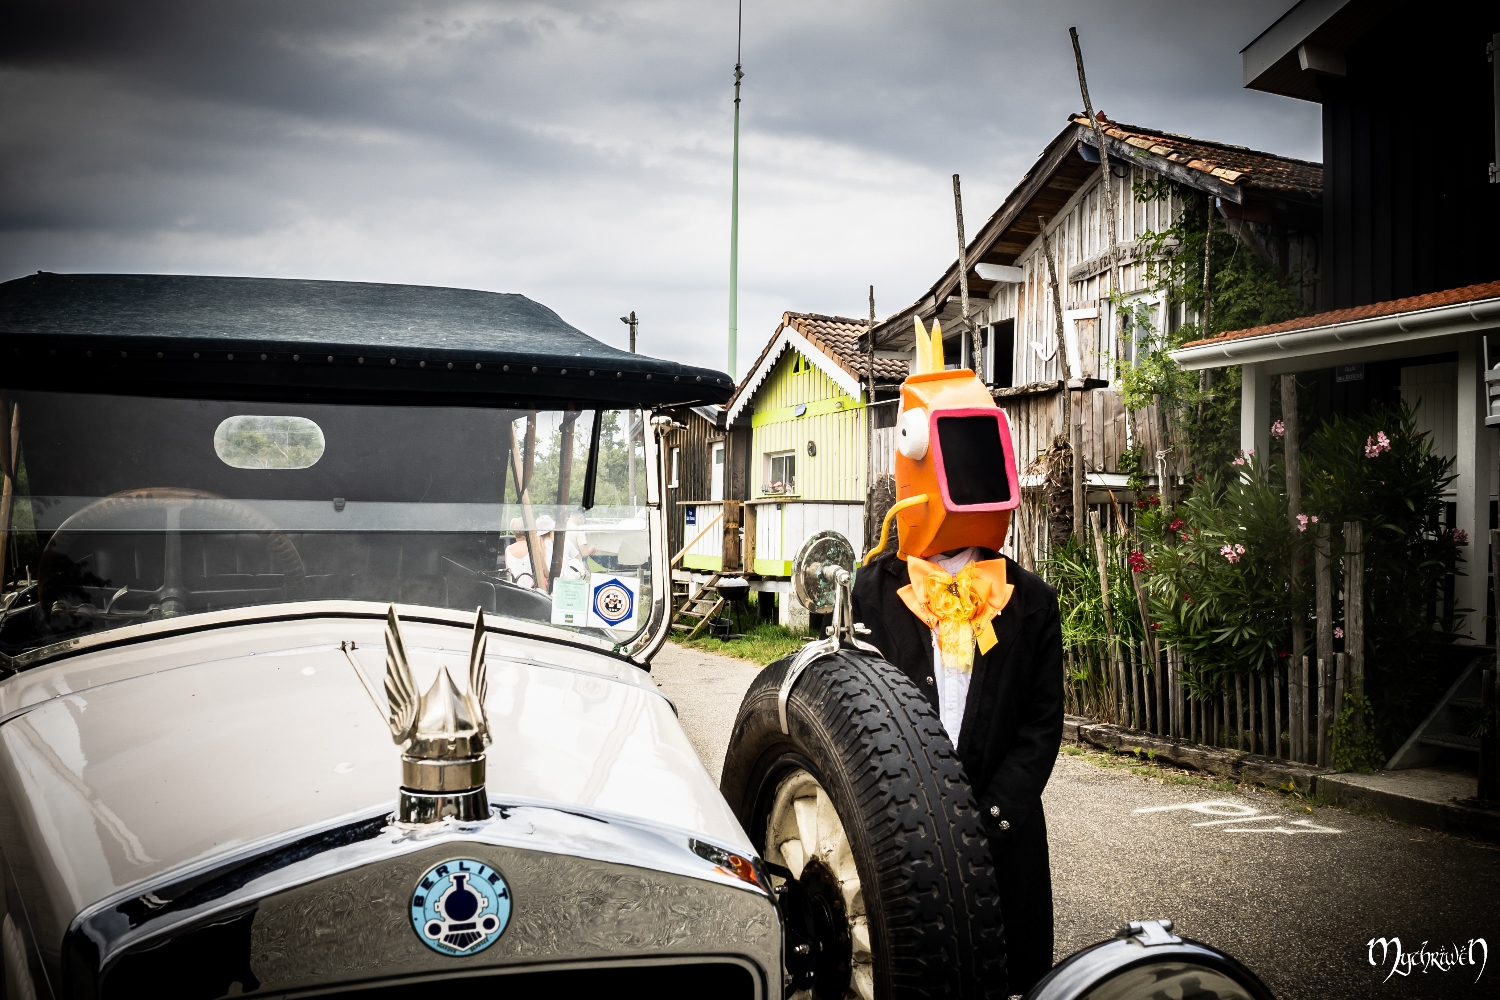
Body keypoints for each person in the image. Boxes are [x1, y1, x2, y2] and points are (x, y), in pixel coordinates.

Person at [850, 317, 1063, 996]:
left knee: (1003, 974)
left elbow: (1041, 723)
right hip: (899, 833)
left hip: (1005, 835)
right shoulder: (873, 590)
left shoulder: (1031, 601)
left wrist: (994, 812)